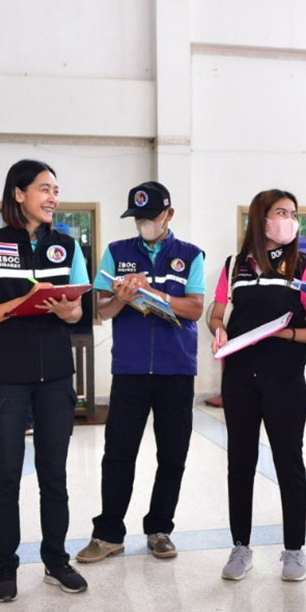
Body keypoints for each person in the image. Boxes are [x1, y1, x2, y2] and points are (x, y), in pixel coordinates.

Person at [0, 160, 90, 603]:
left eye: (56, 190)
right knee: (7, 476)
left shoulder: (68, 247)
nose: (53, 197)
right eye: (44, 189)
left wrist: (68, 310)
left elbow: (78, 311)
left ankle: (56, 560)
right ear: (19, 194)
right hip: (6, 380)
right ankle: (5, 566)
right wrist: (19, 304)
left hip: (55, 377)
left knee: (54, 475)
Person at [77, 182, 205, 564]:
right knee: (118, 453)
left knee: (173, 455)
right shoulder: (117, 253)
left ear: (169, 214)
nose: (144, 224)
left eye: (151, 217)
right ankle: (108, 534)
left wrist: (157, 294)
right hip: (130, 369)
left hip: (176, 369)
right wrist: (122, 297)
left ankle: (159, 529)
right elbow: (101, 310)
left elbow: (195, 308)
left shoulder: (190, 255)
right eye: (138, 218)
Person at [208, 189, 306, 582]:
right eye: (281, 212)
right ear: (261, 219)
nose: (289, 220)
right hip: (240, 378)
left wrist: (285, 334)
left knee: (288, 463)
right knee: (239, 463)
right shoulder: (234, 266)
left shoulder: (304, 267)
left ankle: (294, 550)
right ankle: (240, 547)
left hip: (285, 380)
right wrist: (218, 329)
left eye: (293, 213)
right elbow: (217, 314)